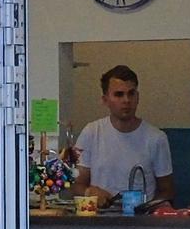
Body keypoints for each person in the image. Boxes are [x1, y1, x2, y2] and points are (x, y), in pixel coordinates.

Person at [71, 64, 174, 207]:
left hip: (141, 223)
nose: (126, 100)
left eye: (131, 93)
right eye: (119, 94)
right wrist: (89, 192)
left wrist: (150, 209)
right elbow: (76, 185)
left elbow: (167, 190)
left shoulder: (156, 138)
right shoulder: (91, 133)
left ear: (138, 97)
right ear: (105, 100)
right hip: (98, 221)